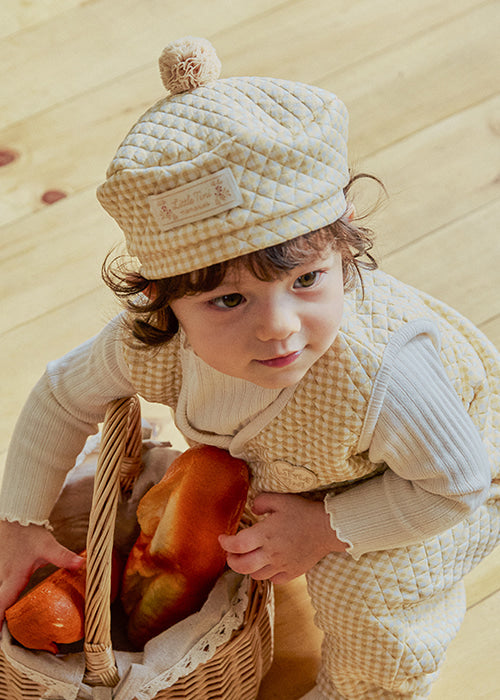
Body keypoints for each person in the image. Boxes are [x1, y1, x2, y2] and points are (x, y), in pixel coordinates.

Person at [0, 36, 499, 699]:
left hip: (409, 487)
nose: (279, 326)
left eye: (309, 279)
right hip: (300, 464)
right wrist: (21, 520)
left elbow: (456, 486)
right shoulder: (154, 342)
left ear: (342, 239)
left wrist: (326, 527)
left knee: (375, 613)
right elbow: (63, 395)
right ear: (163, 300)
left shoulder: (385, 375)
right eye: (228, 299)